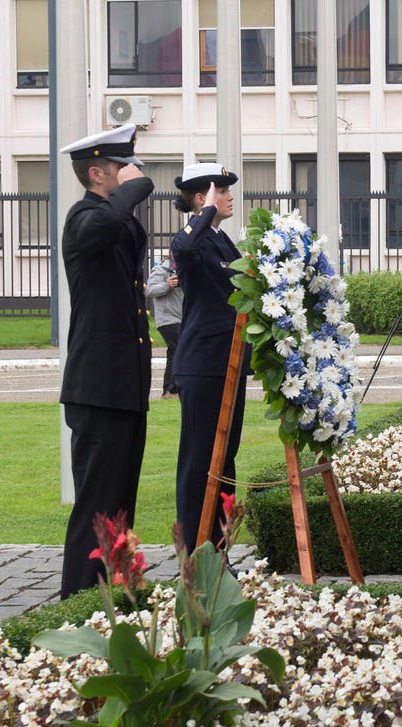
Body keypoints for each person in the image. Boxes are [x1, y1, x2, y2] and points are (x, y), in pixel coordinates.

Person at [56, 123, 155, 599]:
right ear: (97, 174)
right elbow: (103, 226)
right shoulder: (82, 218)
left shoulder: (114, 220)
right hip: (97, 388)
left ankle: (114, 592)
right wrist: (134, 190)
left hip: (123, 388)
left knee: (119, 505)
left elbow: (124, 233)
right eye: (122, 167)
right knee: (95, 506)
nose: (132, 173)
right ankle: (76, 599)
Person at [169, 162, 249, 551]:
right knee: (199, 464)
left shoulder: (222, 241)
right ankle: (195, 552)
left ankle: (216, 550)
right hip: (202, 365)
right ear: (202, 199)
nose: (231, 196)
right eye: (223, 191)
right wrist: (203, 214)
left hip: (229, 364)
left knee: (224, 460)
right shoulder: (196, 241)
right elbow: (182, 248)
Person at [147, 255, 183, 400]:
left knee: (173, 351)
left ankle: (168, 390)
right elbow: (149, 290)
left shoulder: (185, 269)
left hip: (182, 318)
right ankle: (173, 390)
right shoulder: (161, 269)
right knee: (180, 347)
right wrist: (167, 284)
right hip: (167, 319)